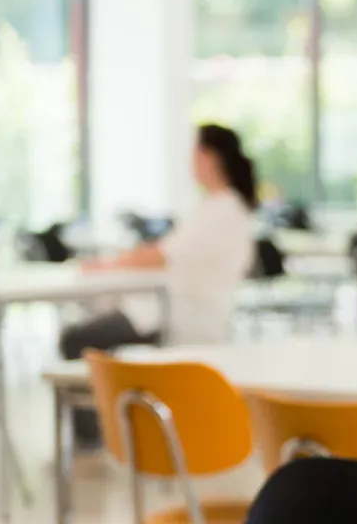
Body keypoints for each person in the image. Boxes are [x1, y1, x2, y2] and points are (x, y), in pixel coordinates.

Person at [62, 124, 257, 441]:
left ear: (209, 157)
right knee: (85, 333)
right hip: (174, 305)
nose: (189, 160)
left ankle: (95, 435)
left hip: (182, 312)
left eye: (194, 152)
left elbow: (165, 254)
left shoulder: (222, 207)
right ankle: (98, 429)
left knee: (77, 339)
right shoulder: (216, 205)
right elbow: (166, 251)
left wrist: (108, 265)